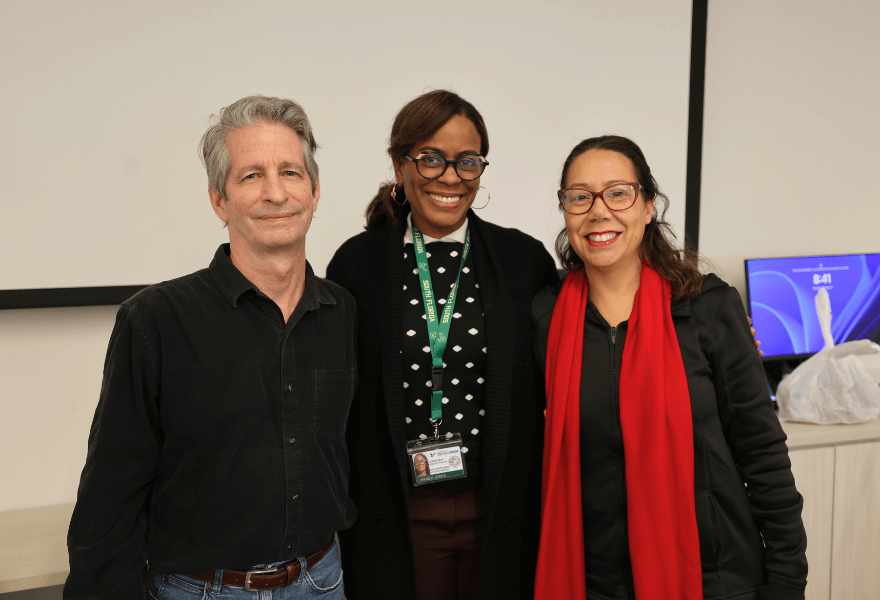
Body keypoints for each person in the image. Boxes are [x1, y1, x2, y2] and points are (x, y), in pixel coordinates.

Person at [64, 95, 358, 600]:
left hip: (322, 581)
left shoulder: (342, 312)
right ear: (218, 200)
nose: (275, 193)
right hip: (200, 590)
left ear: (313, 192)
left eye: (290, 172)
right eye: (250, 176)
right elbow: (110, 494)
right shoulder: (155, 320)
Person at [531, 135, 808, 600]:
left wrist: (785, 583)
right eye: (579, 197)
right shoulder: (546, 315)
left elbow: (762, 455)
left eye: (618, 193)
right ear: (565, 211)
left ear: (648, 206)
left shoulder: (708, 308)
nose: (599, 211)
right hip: (592, 584)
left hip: (714, 581)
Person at [326, 90, 559, 600]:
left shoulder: (524, 261)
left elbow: (574, 348)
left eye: (467, 161)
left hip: (502, 515)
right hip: (396, 518)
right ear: (400, 164)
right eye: (431, 159)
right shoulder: (357, 266)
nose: (450, 177)